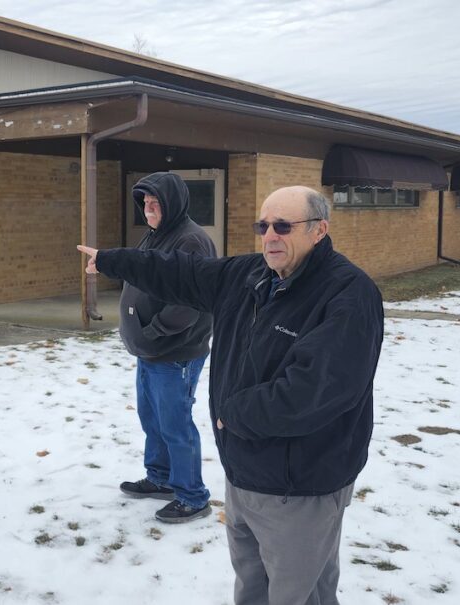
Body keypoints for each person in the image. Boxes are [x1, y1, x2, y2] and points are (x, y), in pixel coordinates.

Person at [78, 186, 383, 605]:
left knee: (298, 595)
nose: (270, 236)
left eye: (282, 226)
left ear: (319, 230)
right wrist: (116, 260)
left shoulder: (348, 293)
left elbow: (317, 390)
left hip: (299, 487)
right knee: (252, 587)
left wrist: (233, 415)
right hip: (243, 474)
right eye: (263, 226)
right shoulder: (249, 275)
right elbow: (181, 272)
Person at [116, 172, 217, 524]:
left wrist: (153, 330)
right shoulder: (156, 235)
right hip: (150, 351)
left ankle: (192, 496)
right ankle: (160, 478)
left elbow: (189, 304)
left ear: (172, 204)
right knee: (152, 418)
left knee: (175, 424)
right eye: (145, 203)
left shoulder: (191, 241)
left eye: (155, 203)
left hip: (176, 353)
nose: (149, 210)